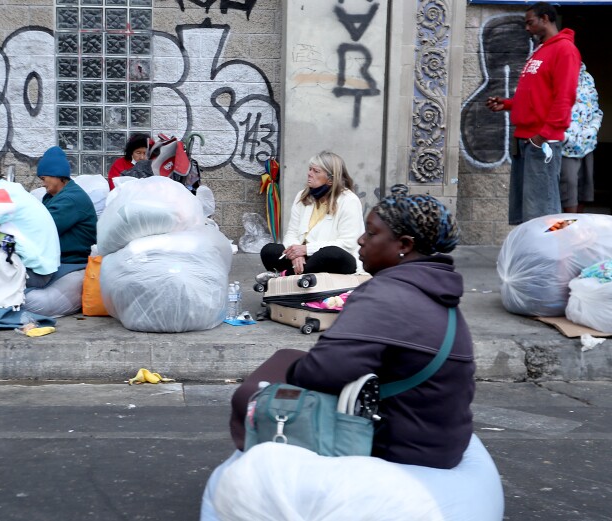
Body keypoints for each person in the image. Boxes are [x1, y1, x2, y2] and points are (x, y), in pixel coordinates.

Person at [201, 185, 503, 520]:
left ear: (404, 245)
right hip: (441, 443)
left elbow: (319, 372)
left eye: (372, 233)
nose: (361, 240)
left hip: (405, 447)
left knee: (259, 387)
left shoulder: (385, 293)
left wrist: (293, 370)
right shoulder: (441, 294)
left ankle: (257, 474)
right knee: (288, 360)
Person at [485, 2, 581, 224]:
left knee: (542, 210)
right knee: (525, 210)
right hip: (525, 139)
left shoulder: (565, 50)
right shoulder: (541, 50)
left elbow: (564, 98)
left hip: (541, 141)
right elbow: (537, 94)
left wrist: (542, 136)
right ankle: (531, 256)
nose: (527, 28)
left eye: (530, 22)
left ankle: (550, 257)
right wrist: (508, 104)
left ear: (545, 18)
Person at [257, 150, 364, 282]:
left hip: (334, 260)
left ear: (331, 179)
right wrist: (296, 254)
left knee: (331, 254)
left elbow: (348, 244)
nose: (309, 173)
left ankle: (282, 278)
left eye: (316, 171)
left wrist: (306, 250)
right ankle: (298, 278)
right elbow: (291, 234)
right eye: (310, 169)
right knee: (270, 250)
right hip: (306, 260)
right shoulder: (302, 196)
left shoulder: (349, 200)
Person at [23, 146, 98, 318]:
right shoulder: (54, 197)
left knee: (37, 302)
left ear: (57, 175)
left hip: (73, 264)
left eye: (44, 178)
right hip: (56, 263)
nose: (43, 183)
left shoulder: (71, 199)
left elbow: (41, 229)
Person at [561, 62, 603, 213]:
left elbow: (596, 110)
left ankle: (576, 231)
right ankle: (565, 231)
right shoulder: (558, 75)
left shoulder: (587, 78)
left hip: (586, 144)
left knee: (583, 192)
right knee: (568, 192)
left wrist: (592, 130)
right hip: (564, 145)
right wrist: (562, 135)